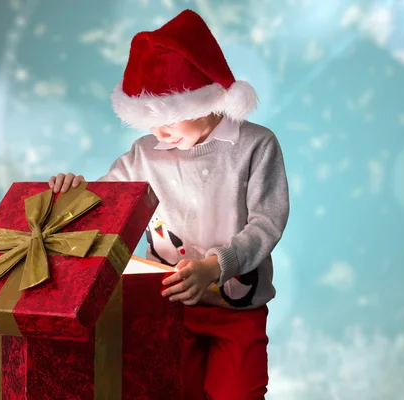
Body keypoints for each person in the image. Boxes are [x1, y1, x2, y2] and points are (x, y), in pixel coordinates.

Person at [49, 9, 289, 400]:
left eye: (169, 118)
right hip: (166, 305)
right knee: (172, 389)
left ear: (203, 101)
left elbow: (267, 224)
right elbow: (104, 202)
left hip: (236, 309)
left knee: (239, 393)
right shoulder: (145, 154)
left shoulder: (256, 145)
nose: (158, 131)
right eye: (149, 119)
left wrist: (214, 266)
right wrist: (72, 192)